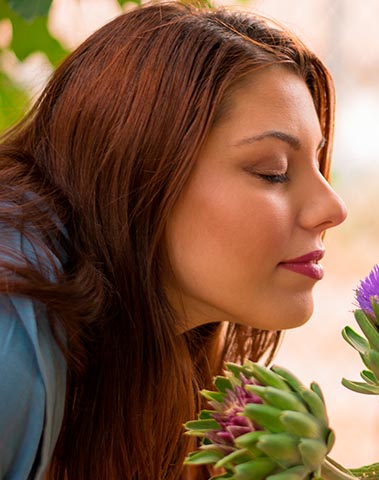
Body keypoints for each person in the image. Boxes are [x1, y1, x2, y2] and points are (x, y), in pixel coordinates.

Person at [0, 2, 348, 479]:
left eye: (317, 162)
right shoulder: (10, 332)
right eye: (273, 172)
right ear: (138, 170)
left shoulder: (150, 360)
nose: (332, 208)